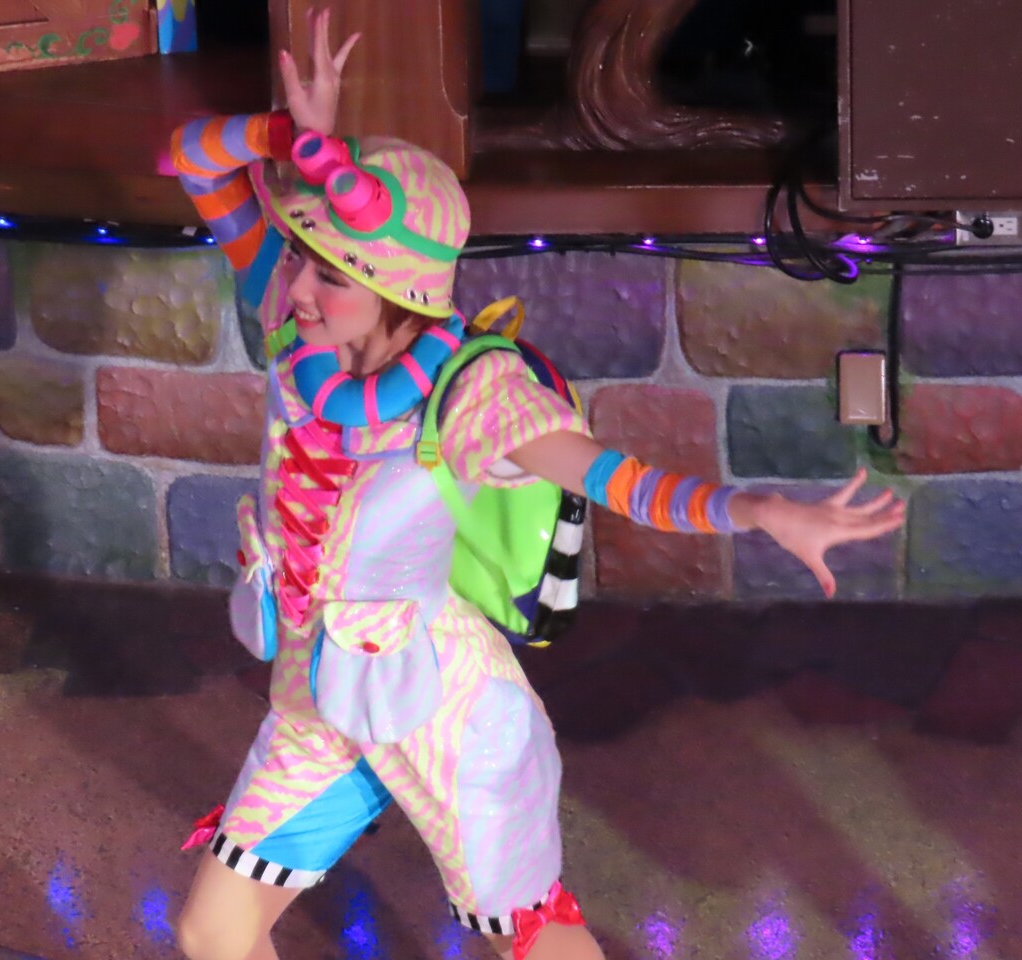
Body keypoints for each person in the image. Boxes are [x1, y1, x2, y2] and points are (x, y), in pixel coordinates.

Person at [168, 12, 906, 960]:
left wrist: (755, 509)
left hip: (446, 708)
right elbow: (189, 157)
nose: (299, 288)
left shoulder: (471, 391)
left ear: (398, 287)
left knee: (532, 941)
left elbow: (614, 478)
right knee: (213, 931)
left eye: (331, 275)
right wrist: (293, 137)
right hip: (317, 692)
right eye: (302, 261)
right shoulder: (292, 324)